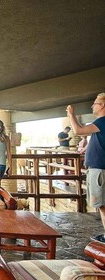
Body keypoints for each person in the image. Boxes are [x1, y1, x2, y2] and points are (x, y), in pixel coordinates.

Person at [67, 92, 105, 242]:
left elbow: (78, 130)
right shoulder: (100, 124)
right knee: (101, 205)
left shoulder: (102, 121)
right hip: (98, 169)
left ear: (102, 105)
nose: (92, 105)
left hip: (99, 170)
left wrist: (71, 114)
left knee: (102, 205)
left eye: (95, 103)